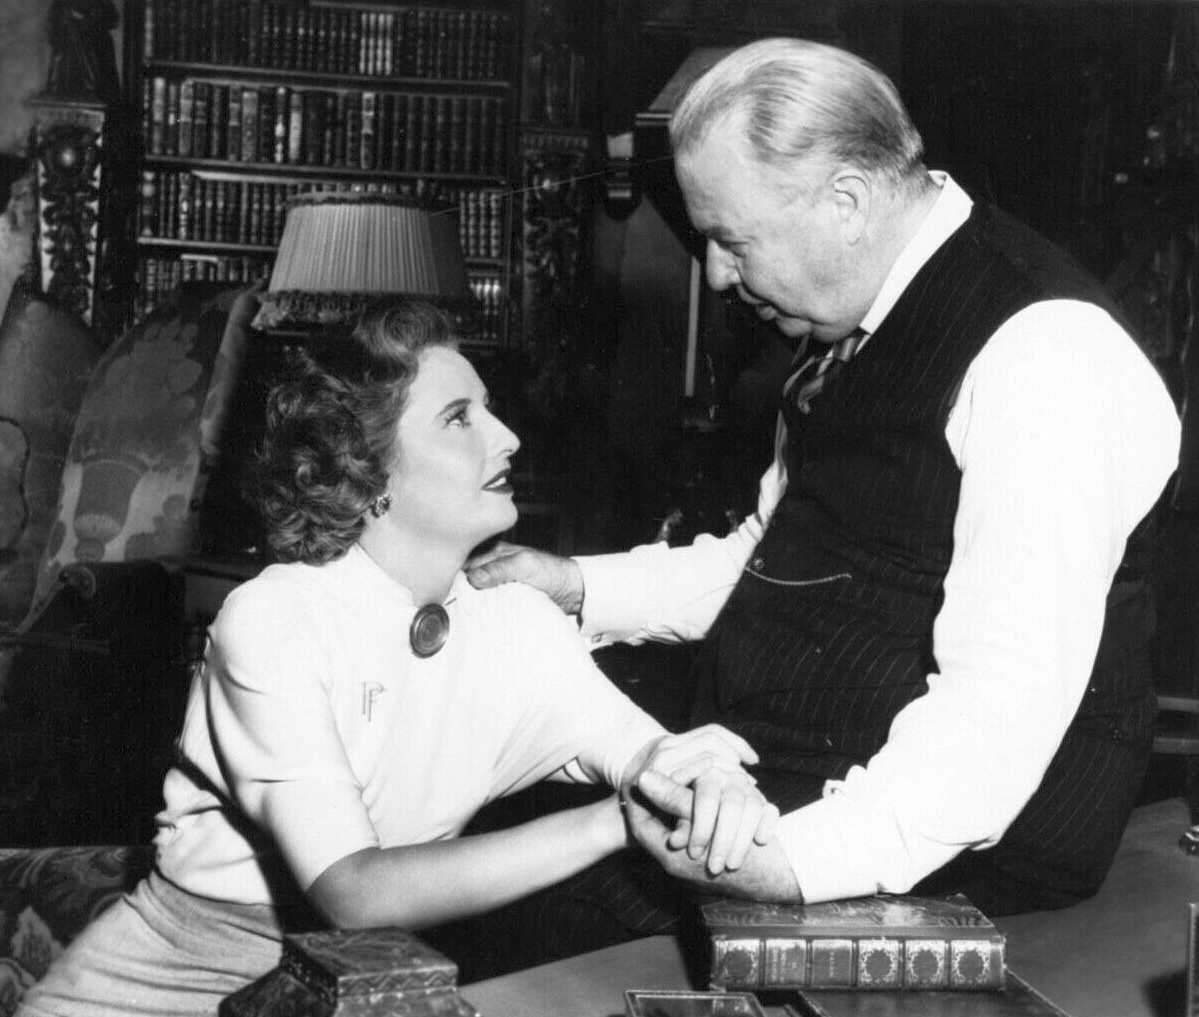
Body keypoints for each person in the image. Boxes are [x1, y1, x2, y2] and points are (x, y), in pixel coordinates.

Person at [466, 36, 1182, 928]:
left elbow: (1001, 704)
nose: (715, 274)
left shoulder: (1044, 353)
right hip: (789, 781)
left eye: (731, 240)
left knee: (513, 922)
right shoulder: (849, 321)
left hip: (944, 854)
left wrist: (790, 866)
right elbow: (785, 560)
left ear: (846, 201)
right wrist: (577, 585)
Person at [17, 301, 777, 1017]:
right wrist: (614, 820)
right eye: (459, 418)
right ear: (369, 471)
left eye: (488, 409)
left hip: (368, 980)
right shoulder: (277, 618)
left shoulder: (515, 619)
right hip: (176, 978)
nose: (507, 436)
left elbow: (649, 754)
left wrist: (708, 778)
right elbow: (354, 891)